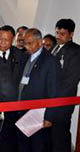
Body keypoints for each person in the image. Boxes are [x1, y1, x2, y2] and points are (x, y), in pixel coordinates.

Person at [17, 28, 61, 152]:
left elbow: (54, 91)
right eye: (25, 43)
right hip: (21, 110)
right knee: (23, 145)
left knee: (38, 146)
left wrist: (49, 116)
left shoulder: (50, 61)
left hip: (38, 114)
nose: (27, 46)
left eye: (30, 43)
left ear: (40, 41)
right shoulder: (25, 57)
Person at [50, 18, 80, 152]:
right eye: (57, 33)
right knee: (51, 136)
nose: (58, 37)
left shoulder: (76, 51)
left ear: (71, 34)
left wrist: (56, 100)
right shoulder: (55, 47)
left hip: (63, 101)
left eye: (62, 34)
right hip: (50, 100)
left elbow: (71, 80)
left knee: (60, 135)